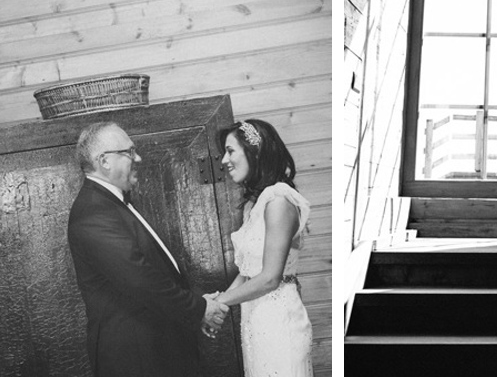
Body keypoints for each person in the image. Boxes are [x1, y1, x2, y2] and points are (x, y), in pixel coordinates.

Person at [67, 121, 229, 377]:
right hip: (136, 358)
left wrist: (198, 303)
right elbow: (141, 281)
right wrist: (199, 308)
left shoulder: (110, 204)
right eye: (129, 152)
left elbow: (156, 273)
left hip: (156, 351)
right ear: (104, 161)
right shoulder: (93, 213)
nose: (138, 158)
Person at [204, 119, 313, 377]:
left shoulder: (279, 200)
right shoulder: (255, 205)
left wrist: (217, 303)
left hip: (279, 319)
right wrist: (218, 306)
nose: (223, 161)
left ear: (255, 151)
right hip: (255, 317)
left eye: (230, 151)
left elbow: (269, 278)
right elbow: (247, 272)